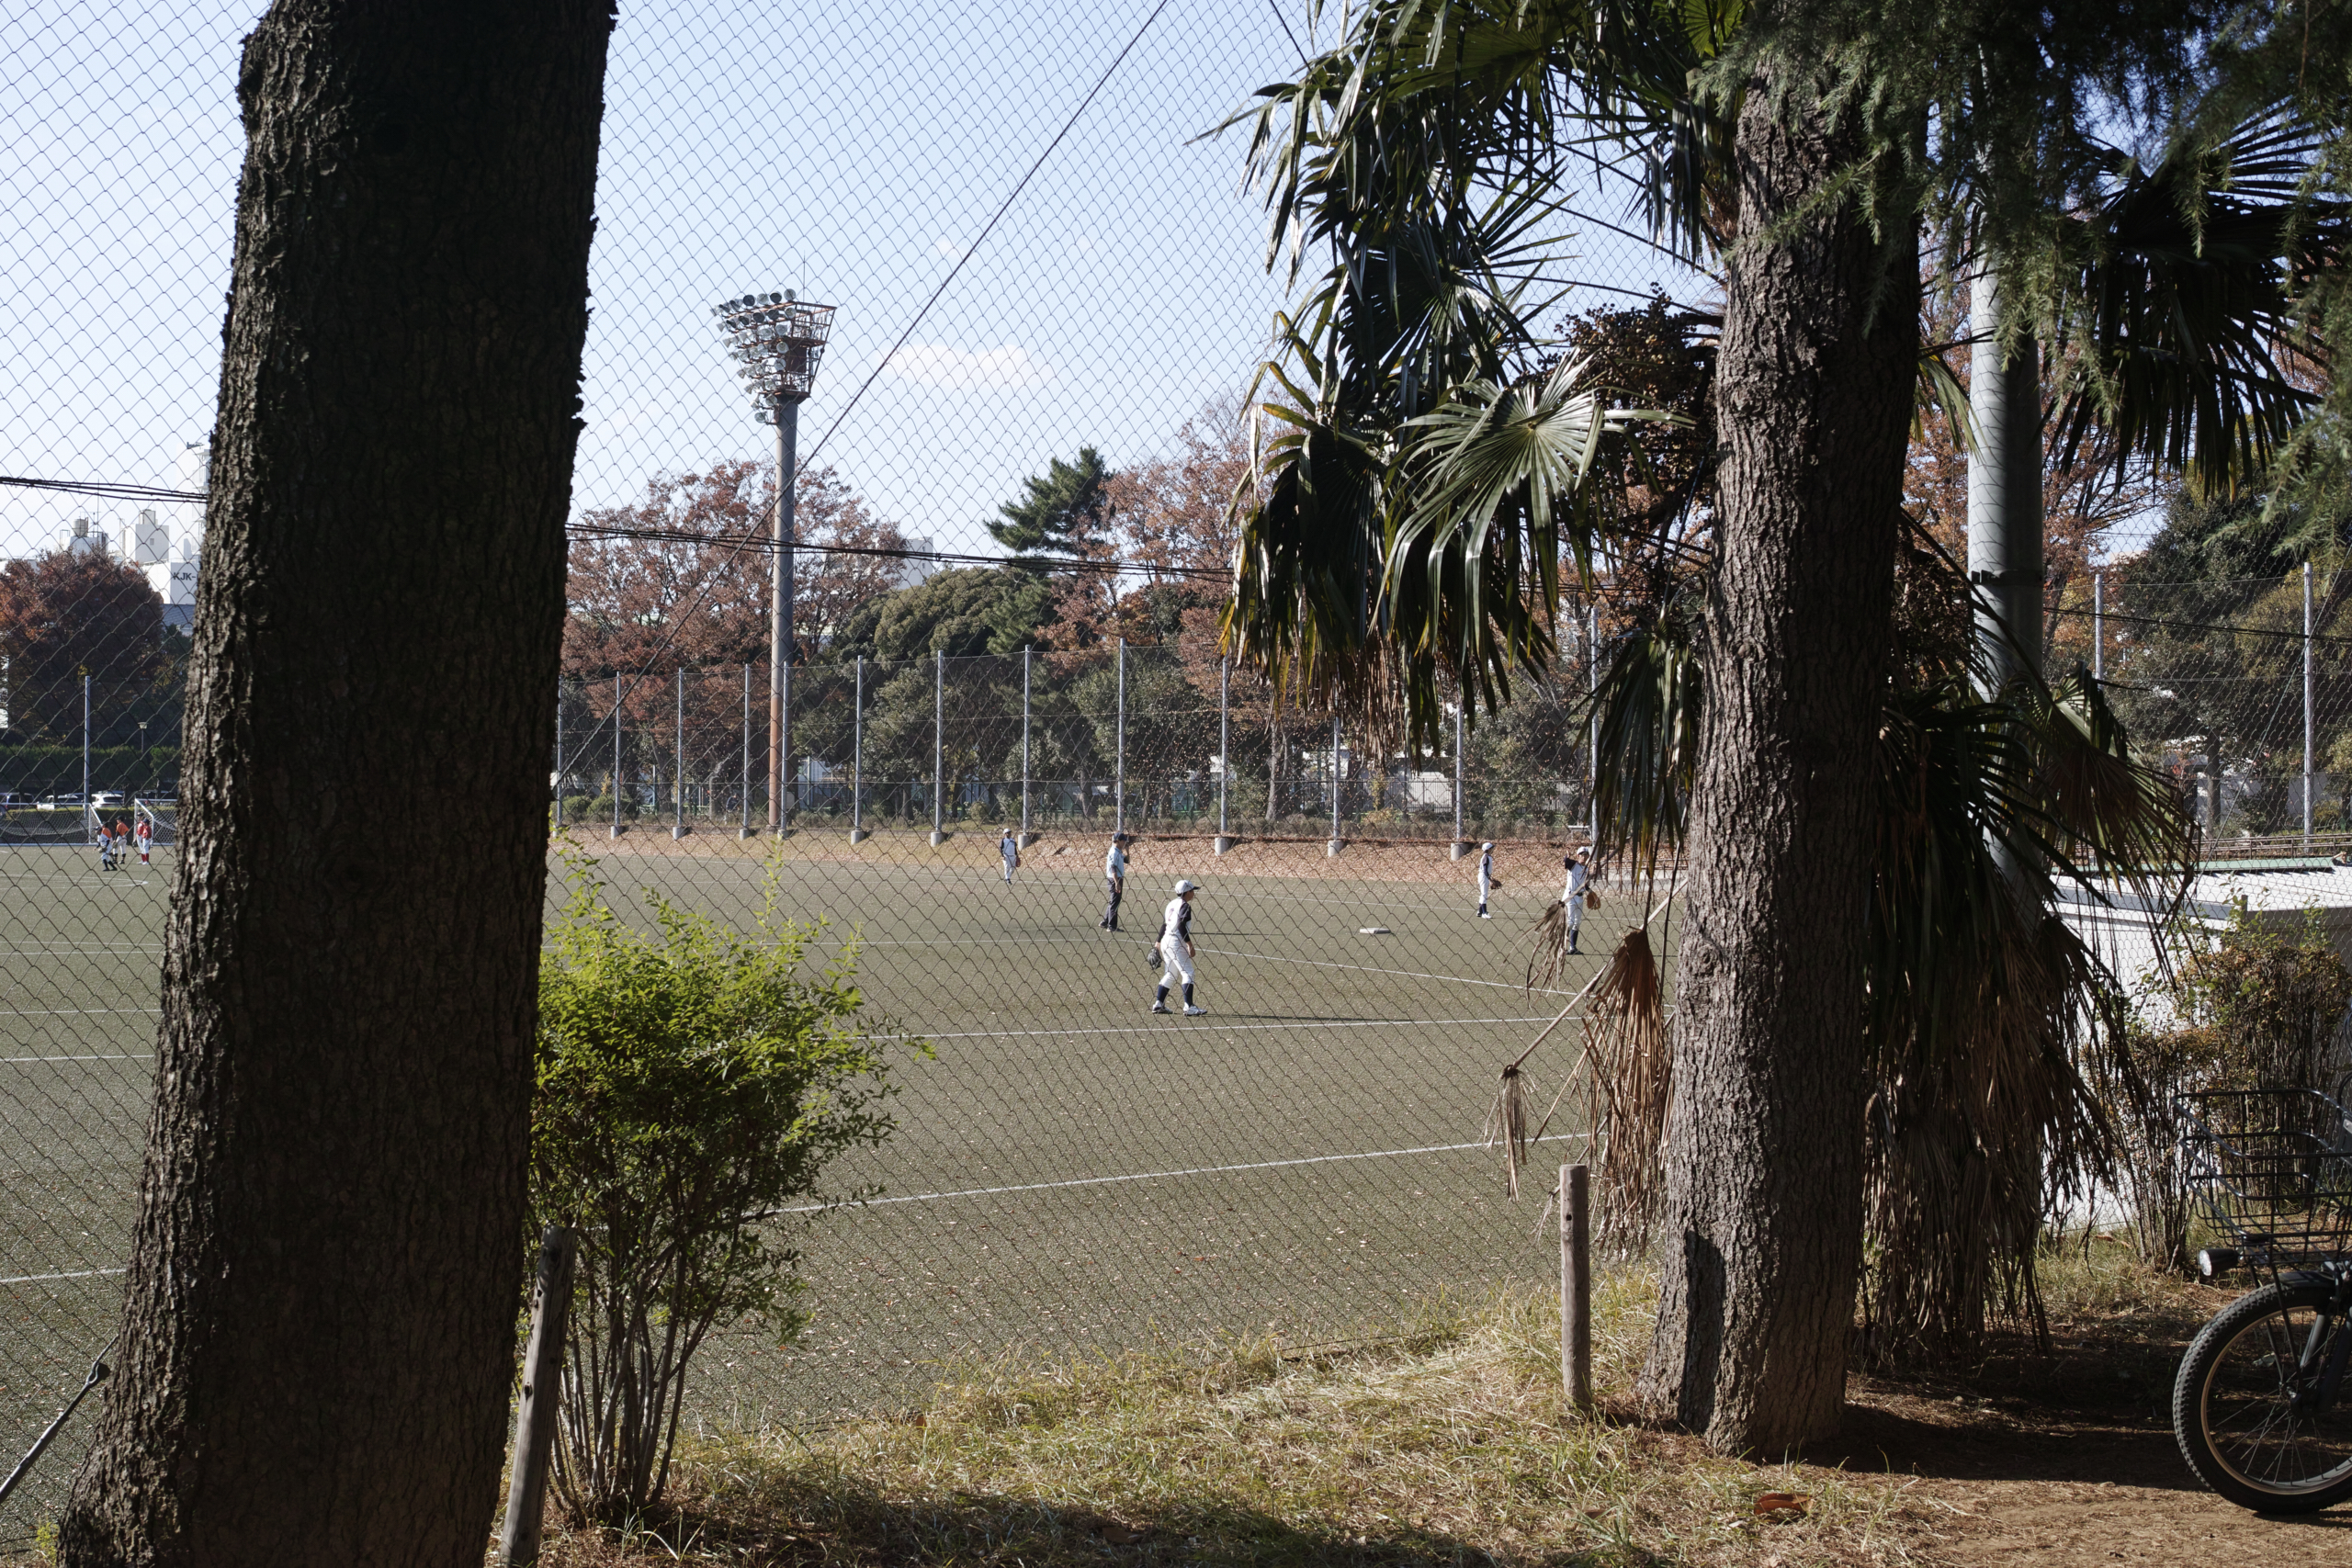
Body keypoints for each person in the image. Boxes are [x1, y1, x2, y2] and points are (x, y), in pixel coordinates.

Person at [1150, 878, 1205, 1015]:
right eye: (1192, 890)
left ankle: (1158, 1004)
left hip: (1166, 941)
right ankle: (1189, 1007)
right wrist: (1189, 944)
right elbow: (1180, 925)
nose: (1194, 893)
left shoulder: (1172, 904)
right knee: (1188, 973)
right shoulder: (1185, 906)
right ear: (1187, 892)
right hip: (1176, 941)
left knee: (1170, 973)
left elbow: (1164, 924)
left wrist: (1157, 943)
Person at [1561, 848, 1590, 955]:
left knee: (1577, 923)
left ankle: (1572, 948)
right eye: (1582, 854)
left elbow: (1585, 884)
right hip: (1570, 896)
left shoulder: (1586, 869)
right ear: (1578, 856)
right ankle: (1562, 946)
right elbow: (1566, 862)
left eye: (1586, 854)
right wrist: (1567, 856)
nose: (1584, 856)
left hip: (1580, 897)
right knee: (1570, 922)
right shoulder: (1573, 864)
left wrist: (1590, 892)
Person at [1100, 832, 1129, 931]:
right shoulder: (1114, 852)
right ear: (1119, 841)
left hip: (1117, 878)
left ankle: (1105, 922)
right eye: (1124, 841)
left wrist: (1128, 852)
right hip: (1115, 879)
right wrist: (1116, 883)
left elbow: (1127, 861)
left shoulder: (1118, 851)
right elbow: (1113, 868)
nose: (1125, 842)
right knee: (1115, 902)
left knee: (1113, 901)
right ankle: (1112, 926)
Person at [1476, 840, 1497, 919]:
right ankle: (1484, 913)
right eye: (1491, 848)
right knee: (1484, 894)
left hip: (1483, 876)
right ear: (1488, 849)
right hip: (1484, 876)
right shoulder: (1486, 857)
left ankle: (1480, 911)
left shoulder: (1486, 856)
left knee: (1483, 894)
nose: (1493, 849)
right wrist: (1489, 879)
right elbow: (1485, 868)